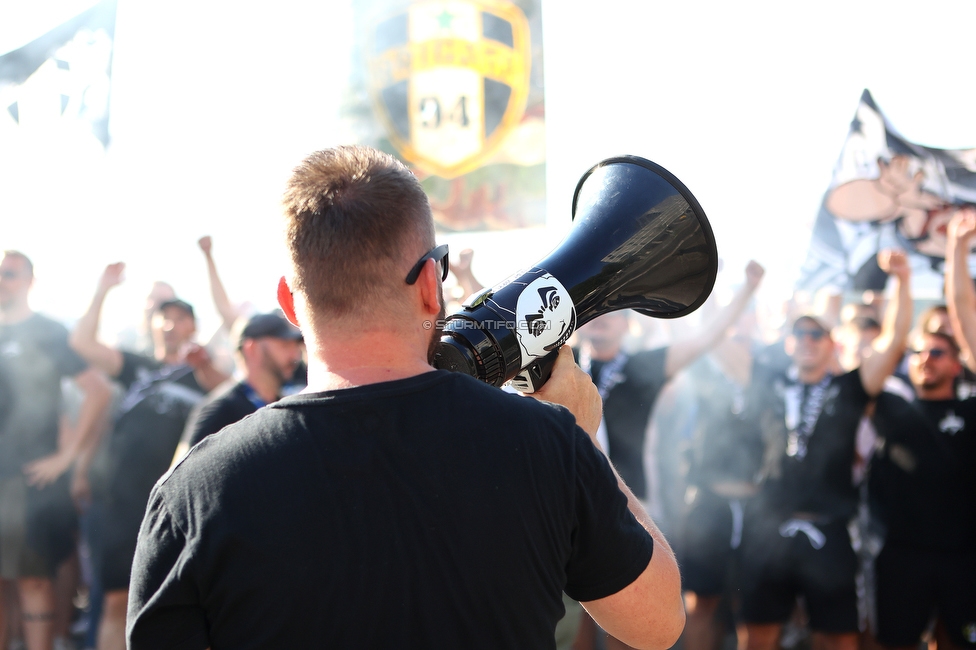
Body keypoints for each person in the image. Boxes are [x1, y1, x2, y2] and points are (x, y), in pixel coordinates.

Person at [125, 145, 685, 649]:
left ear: (290, 304)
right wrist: (582, 440)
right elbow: (659, 624)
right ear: (428, 286)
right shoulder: (546, 445)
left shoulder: (194, 490)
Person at [738, 249, 912, 650]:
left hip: (830, 528)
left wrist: (902, 280)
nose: (807, 341)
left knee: (837, 638)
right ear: (787, 343)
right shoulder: (768, 384)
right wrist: (748, 289)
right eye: (799, 334)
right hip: (770, 527)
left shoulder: (850, 387)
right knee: (758, 634)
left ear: (832, 344)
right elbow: (712, 344)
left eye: (817, 334)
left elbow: (895, 340)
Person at [69, 263, 227, 650]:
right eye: (165, 318)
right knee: (114, 600)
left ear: (194, 326)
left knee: (180, 607)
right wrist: (104, 289)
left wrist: (204, 366)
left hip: (183, 504)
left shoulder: (205, 374)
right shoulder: (137, 367)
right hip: (122, 501)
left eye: (181, 318)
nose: (172, 325)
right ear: (152, 325)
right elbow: (82, 344)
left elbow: (238, 398)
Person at [865, 208, 976, 650]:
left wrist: (958, 248)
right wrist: (902, 281)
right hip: (901, 558)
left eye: (937, 351)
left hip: (964, 560)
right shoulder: (890, 407)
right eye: (919, 352)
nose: (925, 358)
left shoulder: (972, 410)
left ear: (957, 362)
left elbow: (966, 316)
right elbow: (891, 342)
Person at [0, 251, 112, 650]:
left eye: (10, 274)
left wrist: (67, 459)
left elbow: (98, 390)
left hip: (31, 480)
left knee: (34, 581)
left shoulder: (46, 332)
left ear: (30, 280)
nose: (2, 281)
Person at [174, 310, 303, 460]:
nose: (295, 355)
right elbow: (179, 476)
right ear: (252, 348)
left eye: (296, 347)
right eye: (285, 345)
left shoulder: (285, 405)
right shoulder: (219, 410)